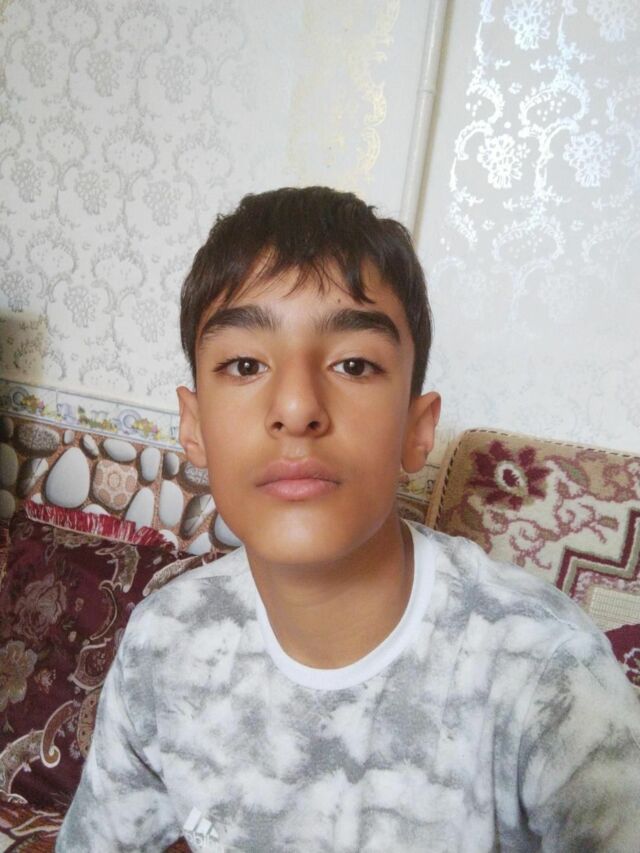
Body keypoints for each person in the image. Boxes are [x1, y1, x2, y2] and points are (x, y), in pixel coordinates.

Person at [57, 187, 640, 852]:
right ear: (193, 426)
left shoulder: (546, 674)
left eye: (354, 364)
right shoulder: (164, 643)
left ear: (417, 430)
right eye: (245, 364)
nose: (297, 407)